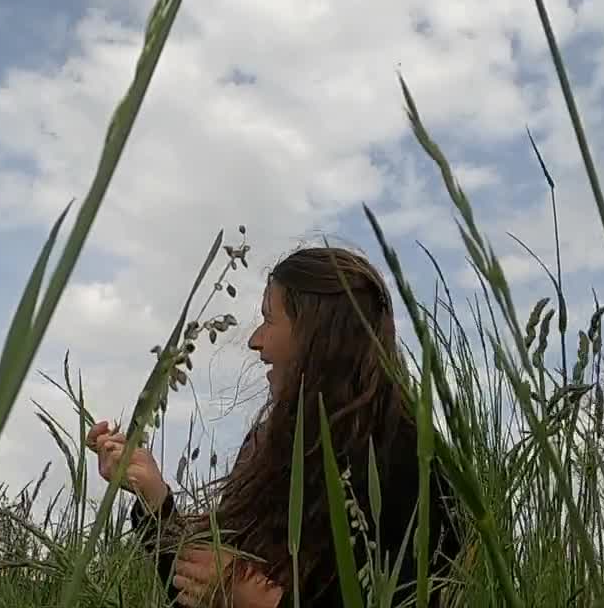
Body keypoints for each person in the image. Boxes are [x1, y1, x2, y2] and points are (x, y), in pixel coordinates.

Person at [88, 246, 464, 607]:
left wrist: (266, 603)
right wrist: (153, 499)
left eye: (269, 319)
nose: (255, 340)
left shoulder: (409, 466)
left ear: (317, 334)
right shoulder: (271, 449)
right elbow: (198, 594)